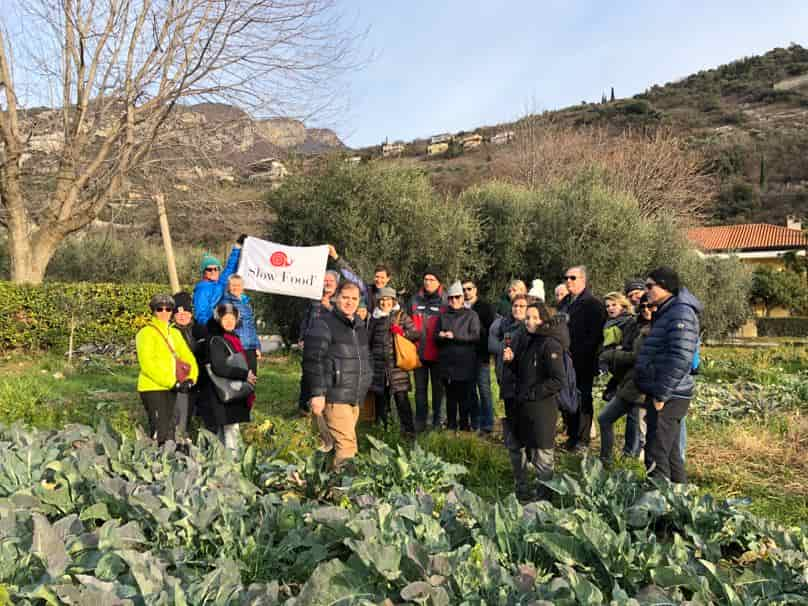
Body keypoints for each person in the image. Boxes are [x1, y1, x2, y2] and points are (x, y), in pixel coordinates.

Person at [636, 267, 702, 484]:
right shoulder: (667, 310)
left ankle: (659, 504)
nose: (646, 291)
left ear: (664, 286)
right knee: (671, 452)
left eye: (649, 286)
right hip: (666, 390)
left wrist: (661, 395)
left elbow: (680, 357)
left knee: (656, 450)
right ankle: (679, 502)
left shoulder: (681, 312)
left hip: (670, 394)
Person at [303, 281, 373, 469]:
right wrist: (317, 393)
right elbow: (312, 360)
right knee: (347, 447)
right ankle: (342, 493)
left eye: (354, 299)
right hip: (334, 395)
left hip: (354, 396)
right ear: (336, 298)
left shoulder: (359, 326)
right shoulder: (323, 324)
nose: (349, 302)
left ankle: (323, 489)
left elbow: (364, 358)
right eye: (345, 298)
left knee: (333, 446)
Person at [503, 302, 568, 501]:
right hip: (520, 407)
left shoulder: (551, 344)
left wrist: (532, 393)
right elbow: (523, 373)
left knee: (542, 456)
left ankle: (545, 501)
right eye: (527, 317)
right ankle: (522, 492)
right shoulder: (526, 340)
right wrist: (511, 362)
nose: (529, 321)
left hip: (541, 409)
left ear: (543, 320)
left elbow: (558, 380)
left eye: (534, 317)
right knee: (516, 449)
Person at [597, 294, 655, 464]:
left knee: (637, 425)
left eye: (649, 306)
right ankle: (606, 461)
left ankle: (631, 460)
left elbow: (636, 356)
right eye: (642, 306)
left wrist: (611, 354)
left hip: (642, 386)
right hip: (629, 383)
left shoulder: (656, 330)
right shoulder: (638, 325)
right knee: (605, 418)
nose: (645, 309)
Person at [136, 294, 199, 445]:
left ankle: (171, 462)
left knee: (172, 429)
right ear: (153, 311)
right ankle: (157, 463)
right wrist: (171, 382)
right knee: (160, 430)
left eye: (168, 309)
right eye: (160, 309)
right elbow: (148, 364)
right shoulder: (145, 333)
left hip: (172, 386)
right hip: (153, 387)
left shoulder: (175, 333)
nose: (164, 312)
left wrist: (191, 378)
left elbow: (188, 357)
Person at [557, 265, 606, 452]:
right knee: (566, 397)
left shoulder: (593, 304)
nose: (568, 281)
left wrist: (578, 353)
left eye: (572, 278)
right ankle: (571, 435)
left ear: (583, 280)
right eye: (566, 277)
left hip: (582, 360)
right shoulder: (565, 303)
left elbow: (595, 336)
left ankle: (583, 439)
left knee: (582, 398)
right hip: (563, 360)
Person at [201, 303, 257, 452]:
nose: (229, 322)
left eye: (232, 318)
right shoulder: (216, 339)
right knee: (230, 431)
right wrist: (244, 374)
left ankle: (222, 464)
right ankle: (232, 465)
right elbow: (219, 366)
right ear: (219, 320)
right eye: (225, 318)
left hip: (229, 391)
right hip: (223, 394)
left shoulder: (232, 337)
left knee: (226, 433)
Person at [368, 287, 418, 434]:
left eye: (388, 299)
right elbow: (368, 340)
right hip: (378, 367)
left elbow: (416, 334)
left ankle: (408, 432)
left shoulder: (401, 316)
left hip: (397, 366)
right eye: (382, 300)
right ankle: (383, 431)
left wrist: (402, 332)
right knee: (381, 402)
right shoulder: (374, 319)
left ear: (393, 300)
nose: (385, 303)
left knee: (402, 400)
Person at [435, 282, 480, 431]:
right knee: (450, 397)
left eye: (457, 297)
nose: (454, 300)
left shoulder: (471, 315)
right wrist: (440, 336)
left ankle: (465, 426)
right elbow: (435, 338)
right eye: (451, 298)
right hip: (447, 363)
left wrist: (455, 336)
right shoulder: (443, 315)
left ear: (462, 298)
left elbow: (475, 336)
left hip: (465, 362)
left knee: (465, 397)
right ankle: (451, 425)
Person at [297, 269, 341, 414]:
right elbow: (306, 319)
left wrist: (328, 306)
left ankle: (324, 407)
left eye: (331, 281)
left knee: (326, 373)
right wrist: (302, 337)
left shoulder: (340, 300)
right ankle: (304, 408)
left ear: (336, 284)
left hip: (329, 345)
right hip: (311, 342)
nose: (327, 283)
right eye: (325, 280)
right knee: (307, 374)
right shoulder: (314, 298)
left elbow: (342, 319)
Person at [409, 270, 447, 432]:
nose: (428, 282)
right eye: (426, 279)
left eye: (432, 279)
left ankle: (439, 422)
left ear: (439, 282)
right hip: (419, 354)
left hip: (439, 355)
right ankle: (420, 422)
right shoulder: (414, 299)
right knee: (420, 391)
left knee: (439, 391)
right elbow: (407, 321)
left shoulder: (446, 300)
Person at [171, 291, 208, 443]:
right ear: (173, 316)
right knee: (181, 416)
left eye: (185, 312)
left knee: (204, 415)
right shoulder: (170, 333)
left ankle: (205, 442)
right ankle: (180, 443)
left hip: (203, 380)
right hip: (183, 381)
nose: (182, 316)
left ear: (191, 313)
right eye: (178, 313)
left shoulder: (201, 330)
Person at [489, 294, 528, 432]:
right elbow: (492, 345)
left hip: (523, 382)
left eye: (522, 306)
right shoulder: (504, 325)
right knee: (510, 414)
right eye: (515, 306)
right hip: (506, 377)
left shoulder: (530, 329)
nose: (517, 309)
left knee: (523, 418)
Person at [462, 279, 496, 433]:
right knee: (469, 391)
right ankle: (475, 422)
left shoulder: (485, 307)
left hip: (481, 355)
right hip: (465, 356)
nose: (466, 292)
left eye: (469, 288)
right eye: (463, 289)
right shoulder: (459, 307)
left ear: (475, 290)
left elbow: (491, 331)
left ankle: (487, 423)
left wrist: (487, 353)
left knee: (484, 390)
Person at [193, 236, 243, 325]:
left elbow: (230, 268)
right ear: (204, 272)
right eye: (209, 269)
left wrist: (237, 247)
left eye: (216, 269)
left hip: (224, 322)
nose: (213, 271)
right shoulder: (202, 289)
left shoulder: (220, 283)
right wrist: (215, 323)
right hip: (212, 326)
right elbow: (201, 314)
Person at [220, 274, 262, 374]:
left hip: (250, 347)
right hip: (237, 346)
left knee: (252, 379)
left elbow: (251, 326)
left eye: (238, 285)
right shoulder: (226, 303)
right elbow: (227, 326)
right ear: (228, 286)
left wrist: (257, 346)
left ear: (242, 287)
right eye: (233, 285)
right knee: (240, 380)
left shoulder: (246, 302)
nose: (235, 288)